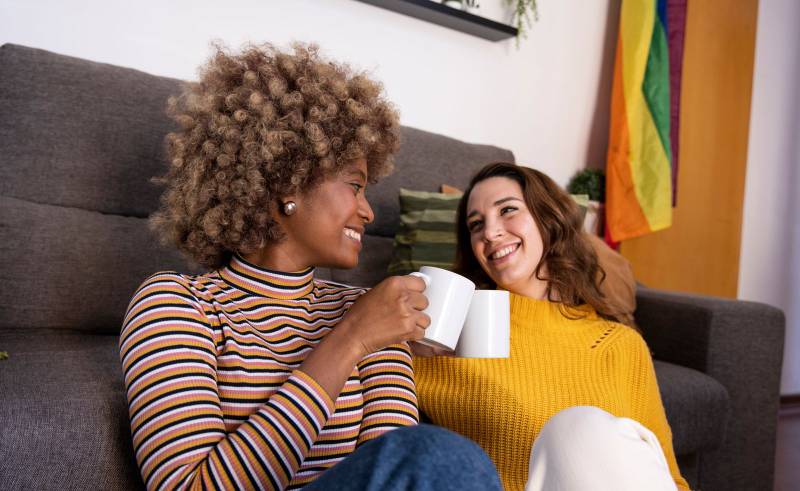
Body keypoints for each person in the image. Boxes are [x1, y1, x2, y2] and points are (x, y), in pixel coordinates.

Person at [119, 42, 501, 491]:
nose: (367, 212)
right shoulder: (175, 305)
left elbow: (401, 470)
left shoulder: (368, 309)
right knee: (443, 455)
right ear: (286, 183)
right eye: (354, 186)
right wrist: (349, 339)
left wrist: (366, 329)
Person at [413, 162, 690, 490]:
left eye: (508, 210)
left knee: (581, 428)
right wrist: (402, 342)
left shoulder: (621, 344)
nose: (489, 232)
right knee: (574, 428)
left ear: (548, 218)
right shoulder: (451, 333)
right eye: (476, 225)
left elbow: (667, 476)